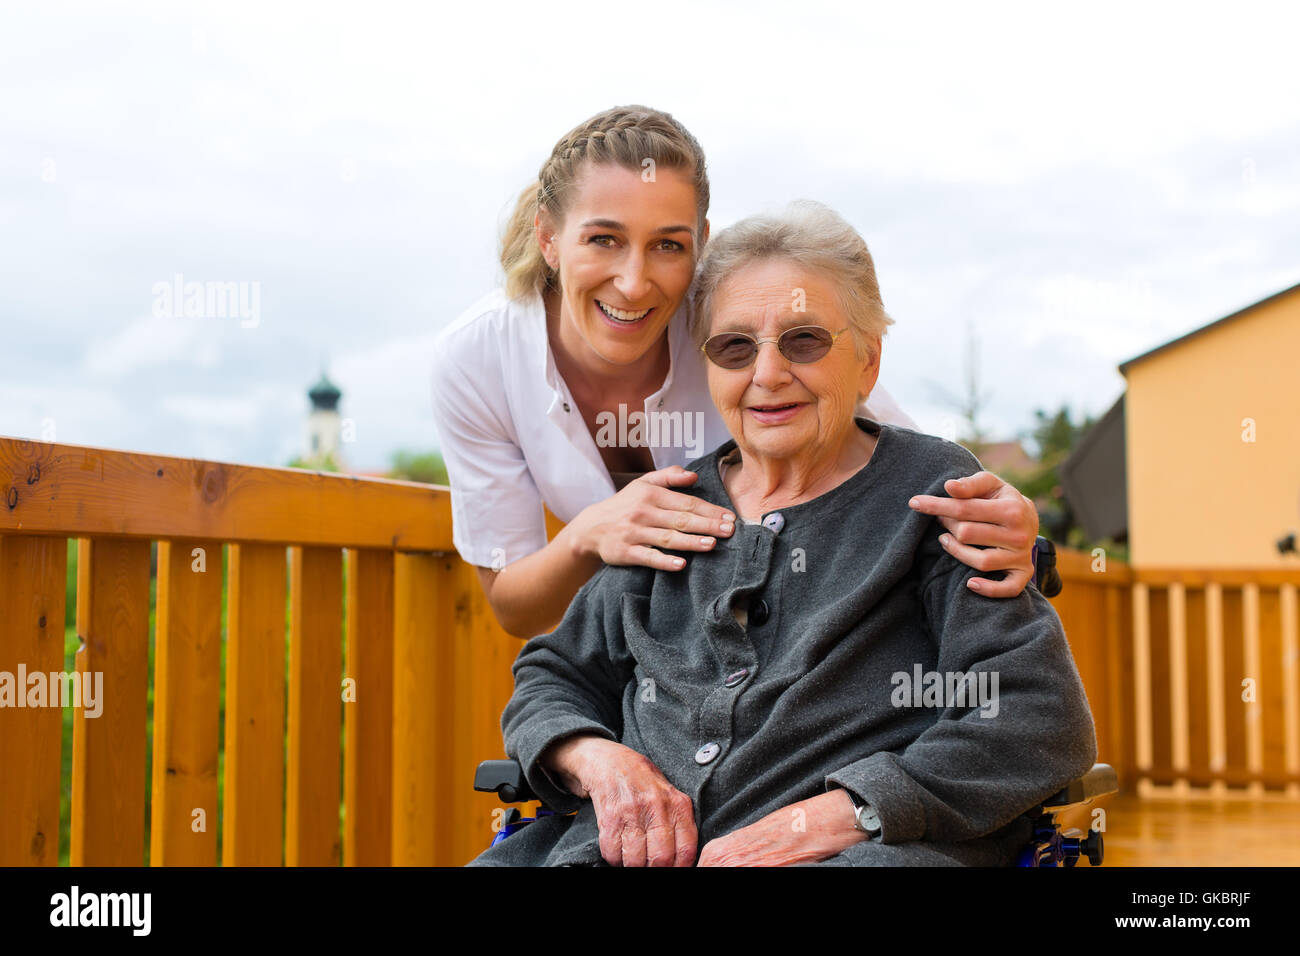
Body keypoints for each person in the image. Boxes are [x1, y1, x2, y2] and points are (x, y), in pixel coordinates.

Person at [467, 201, 1096, 866]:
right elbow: (553, 674)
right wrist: (594, 758)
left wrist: (852, 809)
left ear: (868, 362)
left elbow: (1032, 714)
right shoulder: (669, 505)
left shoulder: (936, 497)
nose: (767, 374)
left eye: (804, 341)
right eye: (735, 347)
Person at [430, 105, 1040, 639]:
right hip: (658, 663)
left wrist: (1015, 530)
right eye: (603, 239)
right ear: (548, 238)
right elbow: (514, 607)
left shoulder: (736, 319)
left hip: (783, 649)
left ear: (700, 243)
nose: (635, 281)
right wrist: (589, 533)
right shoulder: (478, 360)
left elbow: (893, 453)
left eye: (668, 245)